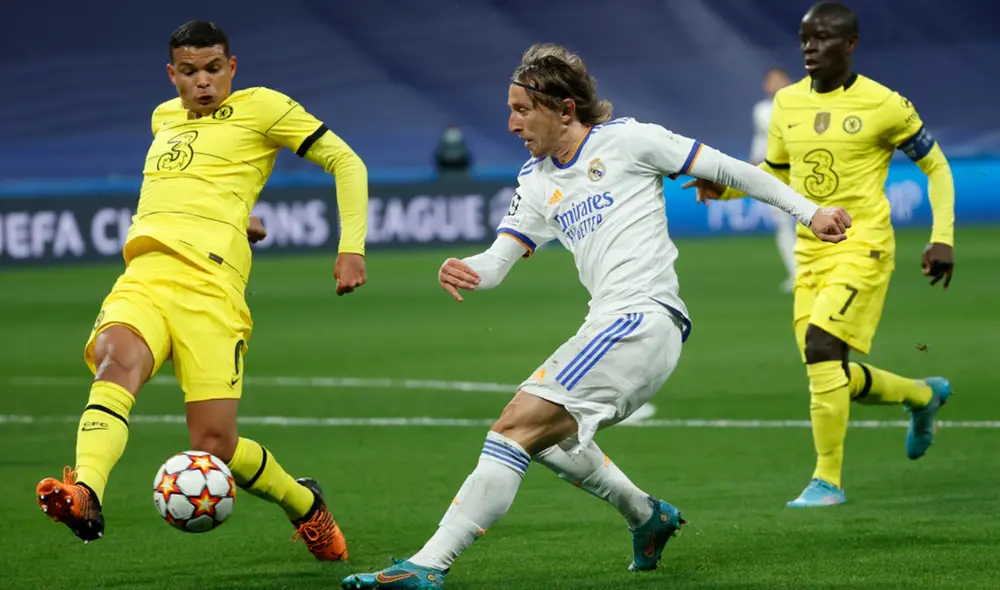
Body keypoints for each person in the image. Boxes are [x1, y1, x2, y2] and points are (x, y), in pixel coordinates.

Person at [341, 43, 850, 589]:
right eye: (509, 110)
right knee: (551, 441)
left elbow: (732, 170)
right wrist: (469, 268)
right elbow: (497, 262)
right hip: (608, 325)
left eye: (521, 110)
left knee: (513, 428)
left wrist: (811, 212)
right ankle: (646, 516)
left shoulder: (629, 141)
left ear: (564, 109)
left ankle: (427, 566)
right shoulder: (536, 182)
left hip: (643, 318)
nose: (511, 124)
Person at [34, 20, 368, 559]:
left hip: (212, 290)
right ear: (172, 75)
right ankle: (85, 490)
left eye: (214, 69)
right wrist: (239, 217)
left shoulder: (264, 106)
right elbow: (197, 186)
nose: (203, 82)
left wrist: (351, 245)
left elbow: (346, 162)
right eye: (189, 72)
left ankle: (304, 505)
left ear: (231, 67)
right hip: (146, 274)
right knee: (115, 359)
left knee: (214, 444)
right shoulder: (163, 118)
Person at [684, 2, 955, 508]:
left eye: (823, 38)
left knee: (822, 347)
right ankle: (922, 395)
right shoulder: (786, 103)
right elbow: (780, 172)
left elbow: (936, 167)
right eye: (805, 38)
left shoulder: (885, 104)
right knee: (827, 370)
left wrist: (943, 237)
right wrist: (725, 188)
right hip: (810, 251)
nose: (810, 47)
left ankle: (826, 480)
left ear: (850, 45)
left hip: (864, 246)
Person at [751, 67, 797, 292]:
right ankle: (796, 272)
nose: (777, 83)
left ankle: (816, 270)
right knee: (783, 224)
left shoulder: (803, 104)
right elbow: (765, 136)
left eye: (781, 78)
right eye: (772, 80)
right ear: (766, 86)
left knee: (809, 220)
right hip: (776, 173)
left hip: (802, 170)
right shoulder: (762, 110)